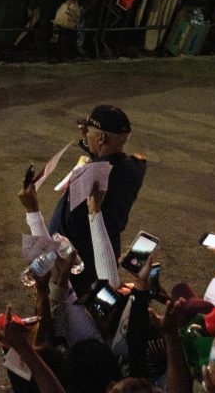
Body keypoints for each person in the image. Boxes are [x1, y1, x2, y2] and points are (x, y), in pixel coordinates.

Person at [48, 104, 146, 294]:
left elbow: (73, 224)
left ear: (101, 138)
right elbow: (108, 159)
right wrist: (91, 140)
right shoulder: (134, 168)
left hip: (78, 265)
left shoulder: (89, 179)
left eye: (92, 134)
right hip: (105, 253)